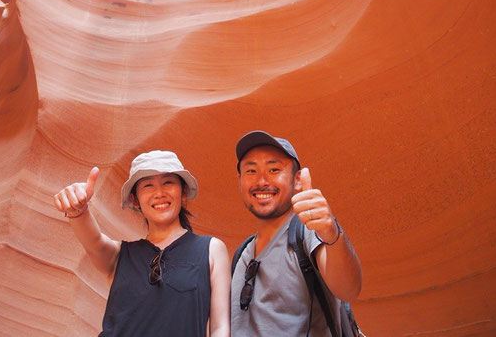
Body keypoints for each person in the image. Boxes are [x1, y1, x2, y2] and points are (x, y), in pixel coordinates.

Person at [53, 150, 230, 337]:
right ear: (135, 200)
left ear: (183, 191)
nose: (159, 193)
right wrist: (78, 211)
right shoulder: (119, 255)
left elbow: (220, 327)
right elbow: (94, 242)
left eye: (168, 182)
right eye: (148, 186)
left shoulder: (211, 250)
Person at [230, 131, 362, 337]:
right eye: (251, 171)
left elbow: (349, 289)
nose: (262, 181)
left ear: (297, 179)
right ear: (239, 179)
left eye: (274, 169)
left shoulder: (308, 235)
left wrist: (332, 234)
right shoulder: (242, 254)